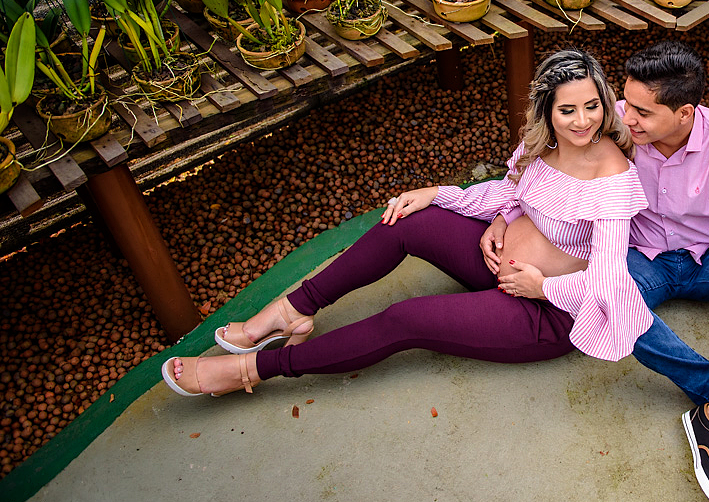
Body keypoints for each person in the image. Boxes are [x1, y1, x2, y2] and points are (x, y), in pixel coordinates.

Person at [162, 49, 652, 397]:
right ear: (547, 109)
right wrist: (442, 196)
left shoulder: (612, 175)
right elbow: (512, 192)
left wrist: (543, 287)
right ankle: (292, 310)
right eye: (567, 109)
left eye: (592, 106)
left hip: (547, 313)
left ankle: (252, 369)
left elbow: (608, 280)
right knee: (407, 222)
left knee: (406, 320)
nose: (583, 121)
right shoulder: (540, 146)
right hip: (499, 263)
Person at [485, 41, 709, 502]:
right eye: (625, 103)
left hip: (706, 255)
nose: (624, 118)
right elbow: (534, 155)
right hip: (638, 255)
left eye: (642, 113)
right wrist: (506, 211)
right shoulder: (609, 115)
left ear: (685, 113)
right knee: (610, 296)